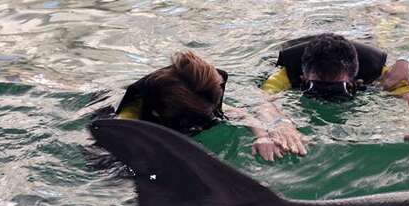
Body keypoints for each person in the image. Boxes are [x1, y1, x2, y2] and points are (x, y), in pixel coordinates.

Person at [255, 33, 409, 157]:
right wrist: (279, 123)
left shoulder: (376, 73)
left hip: (362, 42)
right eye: (314, 88)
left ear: (355, 83)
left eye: (336, 90)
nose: (325, 97)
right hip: (298, 41)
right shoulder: (286, 75)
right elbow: (262, 102)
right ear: (303, 79)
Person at [112, 51, 287, 161]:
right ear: (160, 113)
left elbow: (237, 113)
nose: (212, 115)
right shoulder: (130, 120)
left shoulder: (201, 95)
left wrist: (262, 136)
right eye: (201, 116)